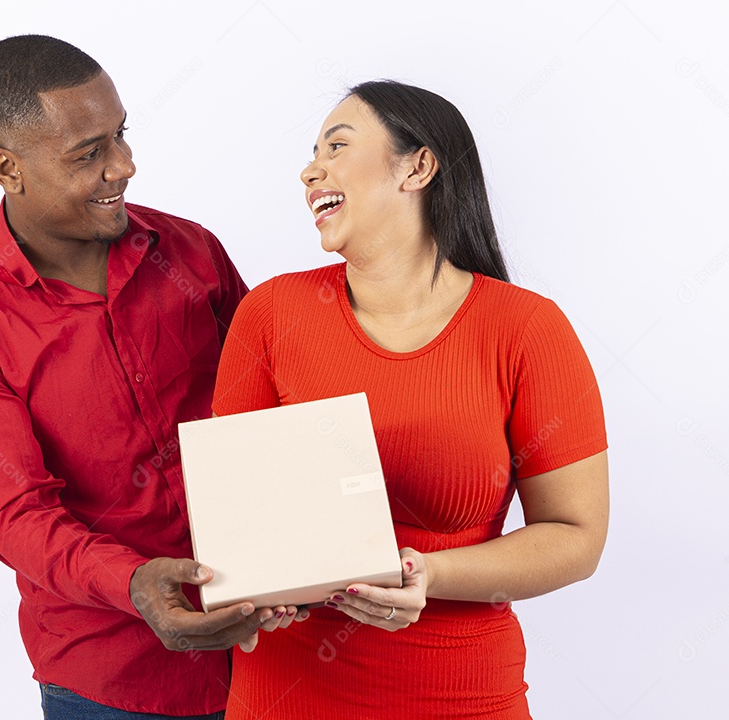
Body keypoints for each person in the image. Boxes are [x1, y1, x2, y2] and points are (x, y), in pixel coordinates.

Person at [0, 35, 300, 720]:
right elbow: (18, 518)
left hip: (276, 649)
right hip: (109, 681)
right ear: (7, 168)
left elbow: (277, 413)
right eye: (88, 153)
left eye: (120, 135)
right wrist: (133, 584)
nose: (124, 165)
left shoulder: (192, 252)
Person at [212, 80, 609, 718]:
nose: (310, 169)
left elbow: (575, 537)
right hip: (288, 695)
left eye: (336, 146)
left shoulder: (526, 328)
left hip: (463, 693)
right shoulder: (270, 314)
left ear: (418, 166)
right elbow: (238, 522)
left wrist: (429, 574)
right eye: (313, 152)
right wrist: (255, 589)